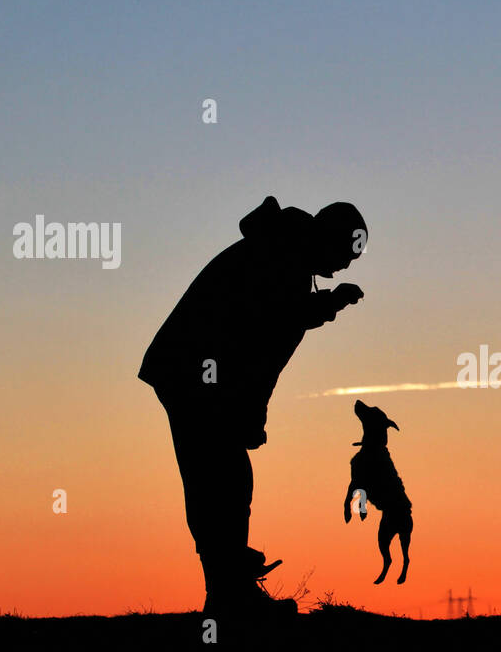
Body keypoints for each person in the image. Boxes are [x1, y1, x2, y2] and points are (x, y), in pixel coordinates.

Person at [139, 196, 367, 614]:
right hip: (191, 374)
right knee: (220, 481)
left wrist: (326, 303)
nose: (344, 266)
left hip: (193, 375)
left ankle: (228, 588)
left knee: (223, 481)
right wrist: (328, 304)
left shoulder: (286, 254)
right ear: (327, 238)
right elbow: (266, 327)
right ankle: (228, 594)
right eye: (343, 254)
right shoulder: (280, 255)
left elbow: (273, 329)